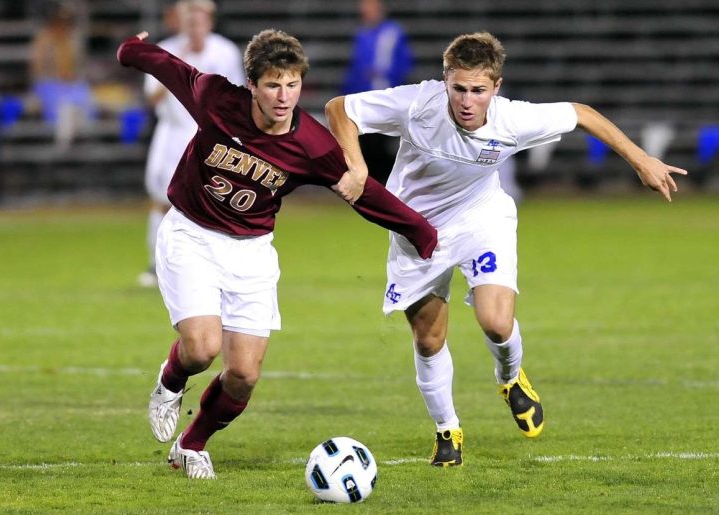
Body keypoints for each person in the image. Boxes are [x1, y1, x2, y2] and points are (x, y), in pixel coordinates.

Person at [325, 31, 686, 467]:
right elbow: (340, 108)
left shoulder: (512, 119)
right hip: (415, 229)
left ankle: (511, 378)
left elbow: (582, 113)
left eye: (478, 90)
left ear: (496, 87)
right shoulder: (417, 103)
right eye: (459, 88)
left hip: (481, 220)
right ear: (445, 81)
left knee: (496, 322)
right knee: (428, 338)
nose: (467, 101)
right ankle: (447, 429)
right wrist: (358, 166)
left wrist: (641, 160)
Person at [117, 29, 437, 479]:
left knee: (243, 375)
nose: (284, 96)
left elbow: (363, 193)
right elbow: (172, 69)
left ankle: (191, 445)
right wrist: (132, 50)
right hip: (192, 235)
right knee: (202, 350)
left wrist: (421, 231)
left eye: (292, 84)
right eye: (272, 85)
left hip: (252, 251)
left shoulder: (313, 145)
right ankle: (170, 382)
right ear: (251, 84)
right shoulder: (216, 98)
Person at [138, 0, 246, 287]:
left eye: (200, 19)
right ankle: (157, 264)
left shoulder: (225, 51)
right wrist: (178, 64)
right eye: (190, 20)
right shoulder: (166, 50)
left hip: (210, 134)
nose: (195, 26)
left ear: (210, 21)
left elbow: (235, 96)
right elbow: (152, 99)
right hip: (174, 133)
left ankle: (217, 264)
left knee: (216, 198)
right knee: (163, 199)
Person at [341, 0, 413, 183]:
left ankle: (385, 183)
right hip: (362, 97)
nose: (365, 13)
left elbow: (403, 63)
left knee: (379, 144)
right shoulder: (362, 33)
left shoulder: (392, 32)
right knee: (365, 143)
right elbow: (356, 67)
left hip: (383, 97)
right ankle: (371, 183)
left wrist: (387, 79)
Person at [29, 1, 93, 148]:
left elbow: (81, 66)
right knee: (64, 106)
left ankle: (81, 139)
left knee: (83, 99)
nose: (63, 25)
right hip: (48, 84)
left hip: (72, 83)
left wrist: (72, 76)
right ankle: (64, 143)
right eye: (60, 21)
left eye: (66, 21)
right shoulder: (43, 40)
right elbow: (36, 69)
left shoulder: (74, 39)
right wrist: (57, 76)